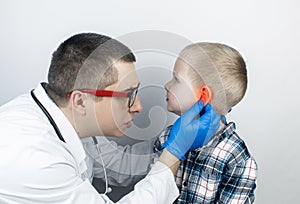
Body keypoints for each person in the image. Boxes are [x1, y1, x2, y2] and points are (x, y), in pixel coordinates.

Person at [0, 33, 220, 204]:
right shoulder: (34, 156)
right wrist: (174, 152)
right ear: (80, 101)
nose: (139, 106)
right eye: (129, 95)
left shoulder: (69, 118)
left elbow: (115, 164)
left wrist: (172, 146)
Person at [158, 42, 258, 203]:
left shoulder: (237, 159)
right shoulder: (168, 137)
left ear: (203, 94)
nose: (167, 85)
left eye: (176, 79)